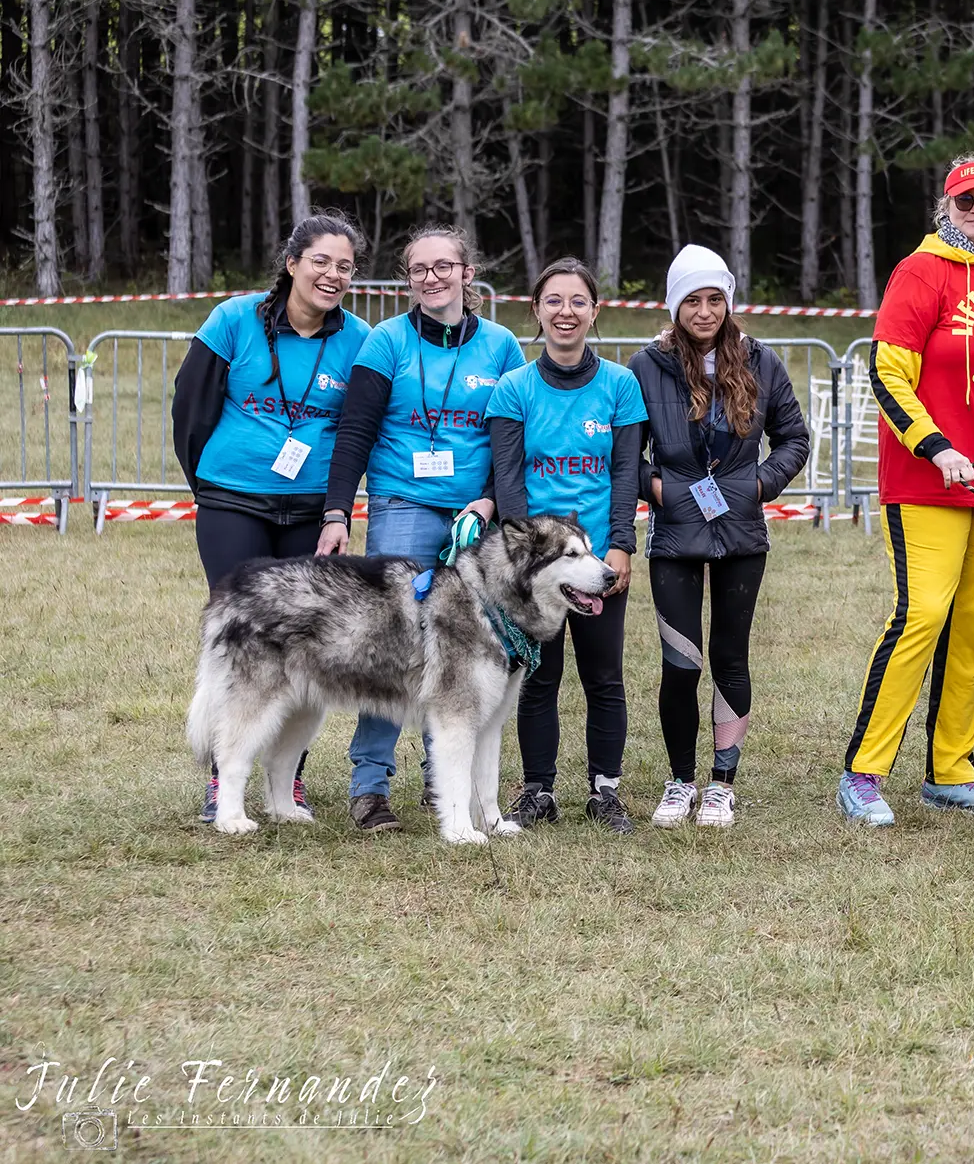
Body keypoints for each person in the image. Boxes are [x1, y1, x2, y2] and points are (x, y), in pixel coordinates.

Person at [838, 155, 974, 826]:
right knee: (921, 615)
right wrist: (935, 444)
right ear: (945, 206)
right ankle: (864, 772)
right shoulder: (919, 271)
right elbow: (887, 371)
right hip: (927, 481)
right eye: (966, 201)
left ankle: (951, 770)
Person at [318, 226, 525, 833]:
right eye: (418, 269)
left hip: (475, 519)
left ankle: (450, 791)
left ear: (468, 272)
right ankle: (370, 786)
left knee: (469, 649)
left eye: (444, 266)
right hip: (403, 504)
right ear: (407, 279)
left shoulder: (502, 346)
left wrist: (489, 500)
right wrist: (337, 513)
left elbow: (509, 443)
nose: (432, 278)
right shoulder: (385, 342)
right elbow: (354, 432)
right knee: (394, 644)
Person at [172, 211, 370, 823]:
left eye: (344, 267)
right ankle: (222, 780)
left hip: (312, 511)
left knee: (306, 647)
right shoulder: (233, 319)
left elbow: (356, 432)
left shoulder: (360, 339)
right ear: (292, 263)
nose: (332, 275)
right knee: (248, 643)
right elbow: (191, 408)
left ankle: (287, 783)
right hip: (233, 502)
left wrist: (336, 507)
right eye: (321, 262)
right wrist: (208, 484)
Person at [630, 245, 810, 829]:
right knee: (680, 663)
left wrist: (759, 484)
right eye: (692, 300)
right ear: (674, 304)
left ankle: (721, 784)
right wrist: (658, 490)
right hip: (674, 531)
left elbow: (793, 438)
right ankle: (680, 780)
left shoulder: (761, 361)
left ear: (728, 303)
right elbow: (624, 450)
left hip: (741, 530)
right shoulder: (647, 365)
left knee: (731, 656)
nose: (704, 311)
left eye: (715, 299)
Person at [487, 258, 649, 835]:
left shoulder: (621, 385)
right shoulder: (513, 389)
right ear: (536, 311)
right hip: (538, 570)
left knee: (604, 677)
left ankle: (606, 792)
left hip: (600, 560)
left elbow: (625, 475)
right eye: (553, 301)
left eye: (578, 301)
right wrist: (527, 562)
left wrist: (622, 548)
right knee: (538, 677)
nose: (565, 312)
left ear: (594, 311)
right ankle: (538, 790)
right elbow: (508, 481)